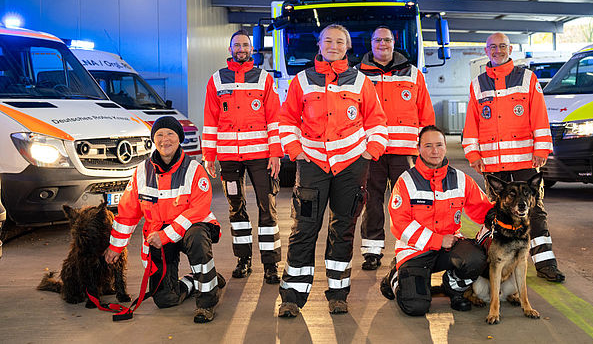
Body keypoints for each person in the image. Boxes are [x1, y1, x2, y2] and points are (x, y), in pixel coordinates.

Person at [276, 24, 388, 317]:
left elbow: (377, 121)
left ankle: (338, 294)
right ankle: (292, 297)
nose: (334, 46)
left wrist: (370, 152)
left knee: (343, 230)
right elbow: (287, 120)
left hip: (351, 165)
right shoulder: (302, 80)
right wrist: (296, 151)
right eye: (328, 41)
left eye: (340, 42)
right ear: (319, 45)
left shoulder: (361, 81)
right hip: (312, 164)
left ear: (348, 47)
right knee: (304, 229)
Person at [462, 32, 564, 283]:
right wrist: (473, 154)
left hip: (524, 161)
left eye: (502, 46)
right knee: (497, 214)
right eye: (493, 47)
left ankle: (546, 264)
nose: (497, 50)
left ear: (510, 49)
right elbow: (472, 122)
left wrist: (541, 150)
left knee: (534, 210)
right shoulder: (477, 84)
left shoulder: (527, 78)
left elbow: (539, 114)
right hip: (493, 164)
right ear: (486, 51)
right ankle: (500, 264)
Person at [105, 116, 225, 323]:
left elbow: (199, 209)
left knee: (197, 237)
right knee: (165, 299)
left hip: (191, 228)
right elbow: (128, 213)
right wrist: (115, 247)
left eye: (170, 133)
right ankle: (193, 281)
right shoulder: (141, 172)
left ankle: (206, 302)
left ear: (179, 138)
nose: (165, 139)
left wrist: (166, 235)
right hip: (159, 235)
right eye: (159, 134)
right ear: (154, 139)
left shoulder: (194, 170)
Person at [378, 125, 490, 315]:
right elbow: (400, 225)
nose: (434, 151)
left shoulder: (461, 179)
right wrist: (437, 240)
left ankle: (453, 288)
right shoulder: (406, 182)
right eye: (428, 146)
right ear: (418, 148)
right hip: (415, 251)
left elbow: (484, 211)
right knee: (416, 307)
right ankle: (395, 276)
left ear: (445, 146)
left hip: (449, 248)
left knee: (475, 258)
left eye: (439, 145)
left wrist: (508, 209)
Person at [202, 30, 283, 284]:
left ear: (252, 49)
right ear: (230, 49)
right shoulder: (217, 80)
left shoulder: (263, 78)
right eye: (236, 45)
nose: (241, 49)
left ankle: (270, 264)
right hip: (229, 157)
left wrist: (275, 153)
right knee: (235, 207)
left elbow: (274, 118)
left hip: (260, 155)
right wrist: (208, 155)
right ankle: (243, 260)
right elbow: (210, 120)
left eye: (245, 45)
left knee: (267, 207)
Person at [356, 26, 436, 271]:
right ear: (371, 43)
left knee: (409, 202)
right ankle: (372, 251)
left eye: (387, 40)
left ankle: (410, 248)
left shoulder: (413, 74)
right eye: (378, 40)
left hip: (405, 151)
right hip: (371, 151)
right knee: (371, 200)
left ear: (394, 42)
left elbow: (425, 112)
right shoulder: (357, 75)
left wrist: (428, 147)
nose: (383, 44)